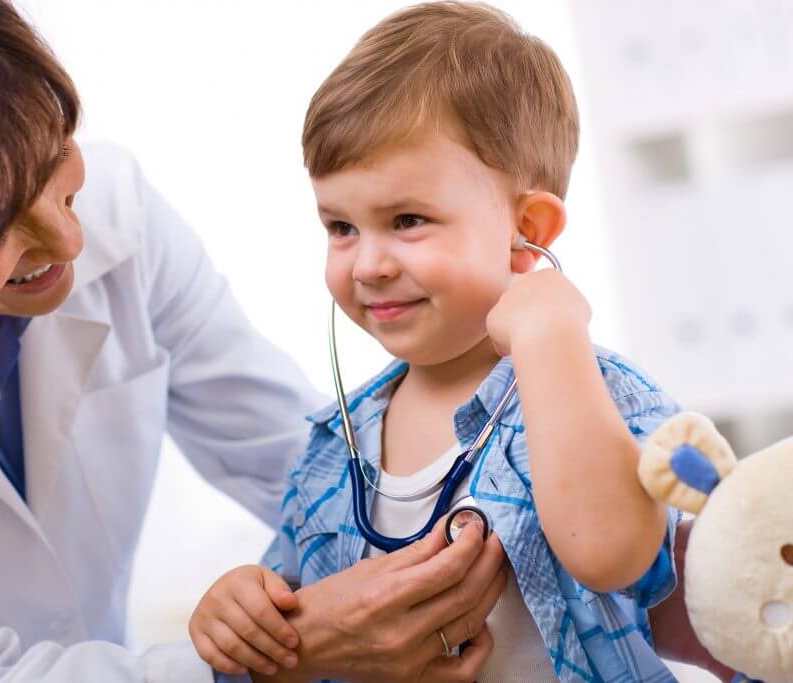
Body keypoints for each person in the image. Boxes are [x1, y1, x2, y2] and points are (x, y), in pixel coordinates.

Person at [0, 1, 507, 681]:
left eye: (53, 158)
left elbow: (303, 467)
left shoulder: (117, 210)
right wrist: (286, 644)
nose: (67, 236)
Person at [189, 4, 687, 681]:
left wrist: (548, 334)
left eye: (407, 219)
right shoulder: (333, 444)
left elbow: (612, 552)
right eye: (340, 226)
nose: (367, 264)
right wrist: (239, 609)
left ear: (527, 227)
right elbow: (292, 617)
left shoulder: (591, 388)